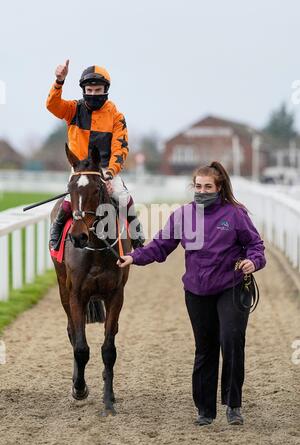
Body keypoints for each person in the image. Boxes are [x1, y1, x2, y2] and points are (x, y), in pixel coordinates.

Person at [117, 161, 266, 426]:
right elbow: (160, 246)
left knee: (231, 340)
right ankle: (205, 411)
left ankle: (233, 405)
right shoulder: (183, 216)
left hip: (231, 287)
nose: (202, 191)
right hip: (196, 291)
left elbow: (255, 245)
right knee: (205, 348)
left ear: (219, 188)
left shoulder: (235, 214)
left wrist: (253, 261)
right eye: (198, 186)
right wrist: (134, 257)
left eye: (208, 186)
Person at [46, 60, 145, 250]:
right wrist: (59, 81)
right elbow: (52, 105)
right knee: (69, 200)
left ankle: (136, 232)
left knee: (123, 196)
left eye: (97, 90)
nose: (93, 94)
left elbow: (121, 148)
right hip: (80, 169)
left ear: (105, 90)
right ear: (84, 90)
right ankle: (57, 230)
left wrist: (109, 173)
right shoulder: (73, 109)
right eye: (89, 91)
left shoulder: (116, 117)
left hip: (105, 169)